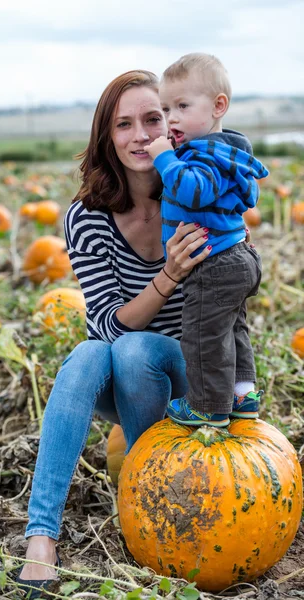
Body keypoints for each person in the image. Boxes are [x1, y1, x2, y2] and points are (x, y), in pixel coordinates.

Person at [16, 69, 213, 597]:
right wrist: (169, 275)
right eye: (124, 124)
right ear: (108, 137)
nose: (140, 135)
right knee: (91, 353)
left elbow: (234, 296)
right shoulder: (87, 217)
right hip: (125, 373)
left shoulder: (200, 197)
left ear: (173, 126)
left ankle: (152, 494)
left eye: (153, 119)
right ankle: (41, 537)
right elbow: (103, 322)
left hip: (194, 376)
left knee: (135, 347)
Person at [144, 53, 268, 428]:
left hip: (214, 264)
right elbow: (235, 199)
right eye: (166, 108)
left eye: (182, 105)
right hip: (235, 257)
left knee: (202, 336)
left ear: (218, 106)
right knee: (232, 329)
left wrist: (165, 158)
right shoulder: (227, 152)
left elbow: (194, 192)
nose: (172, 118)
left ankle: (207, 407)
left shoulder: (203, 154)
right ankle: (242, 394)